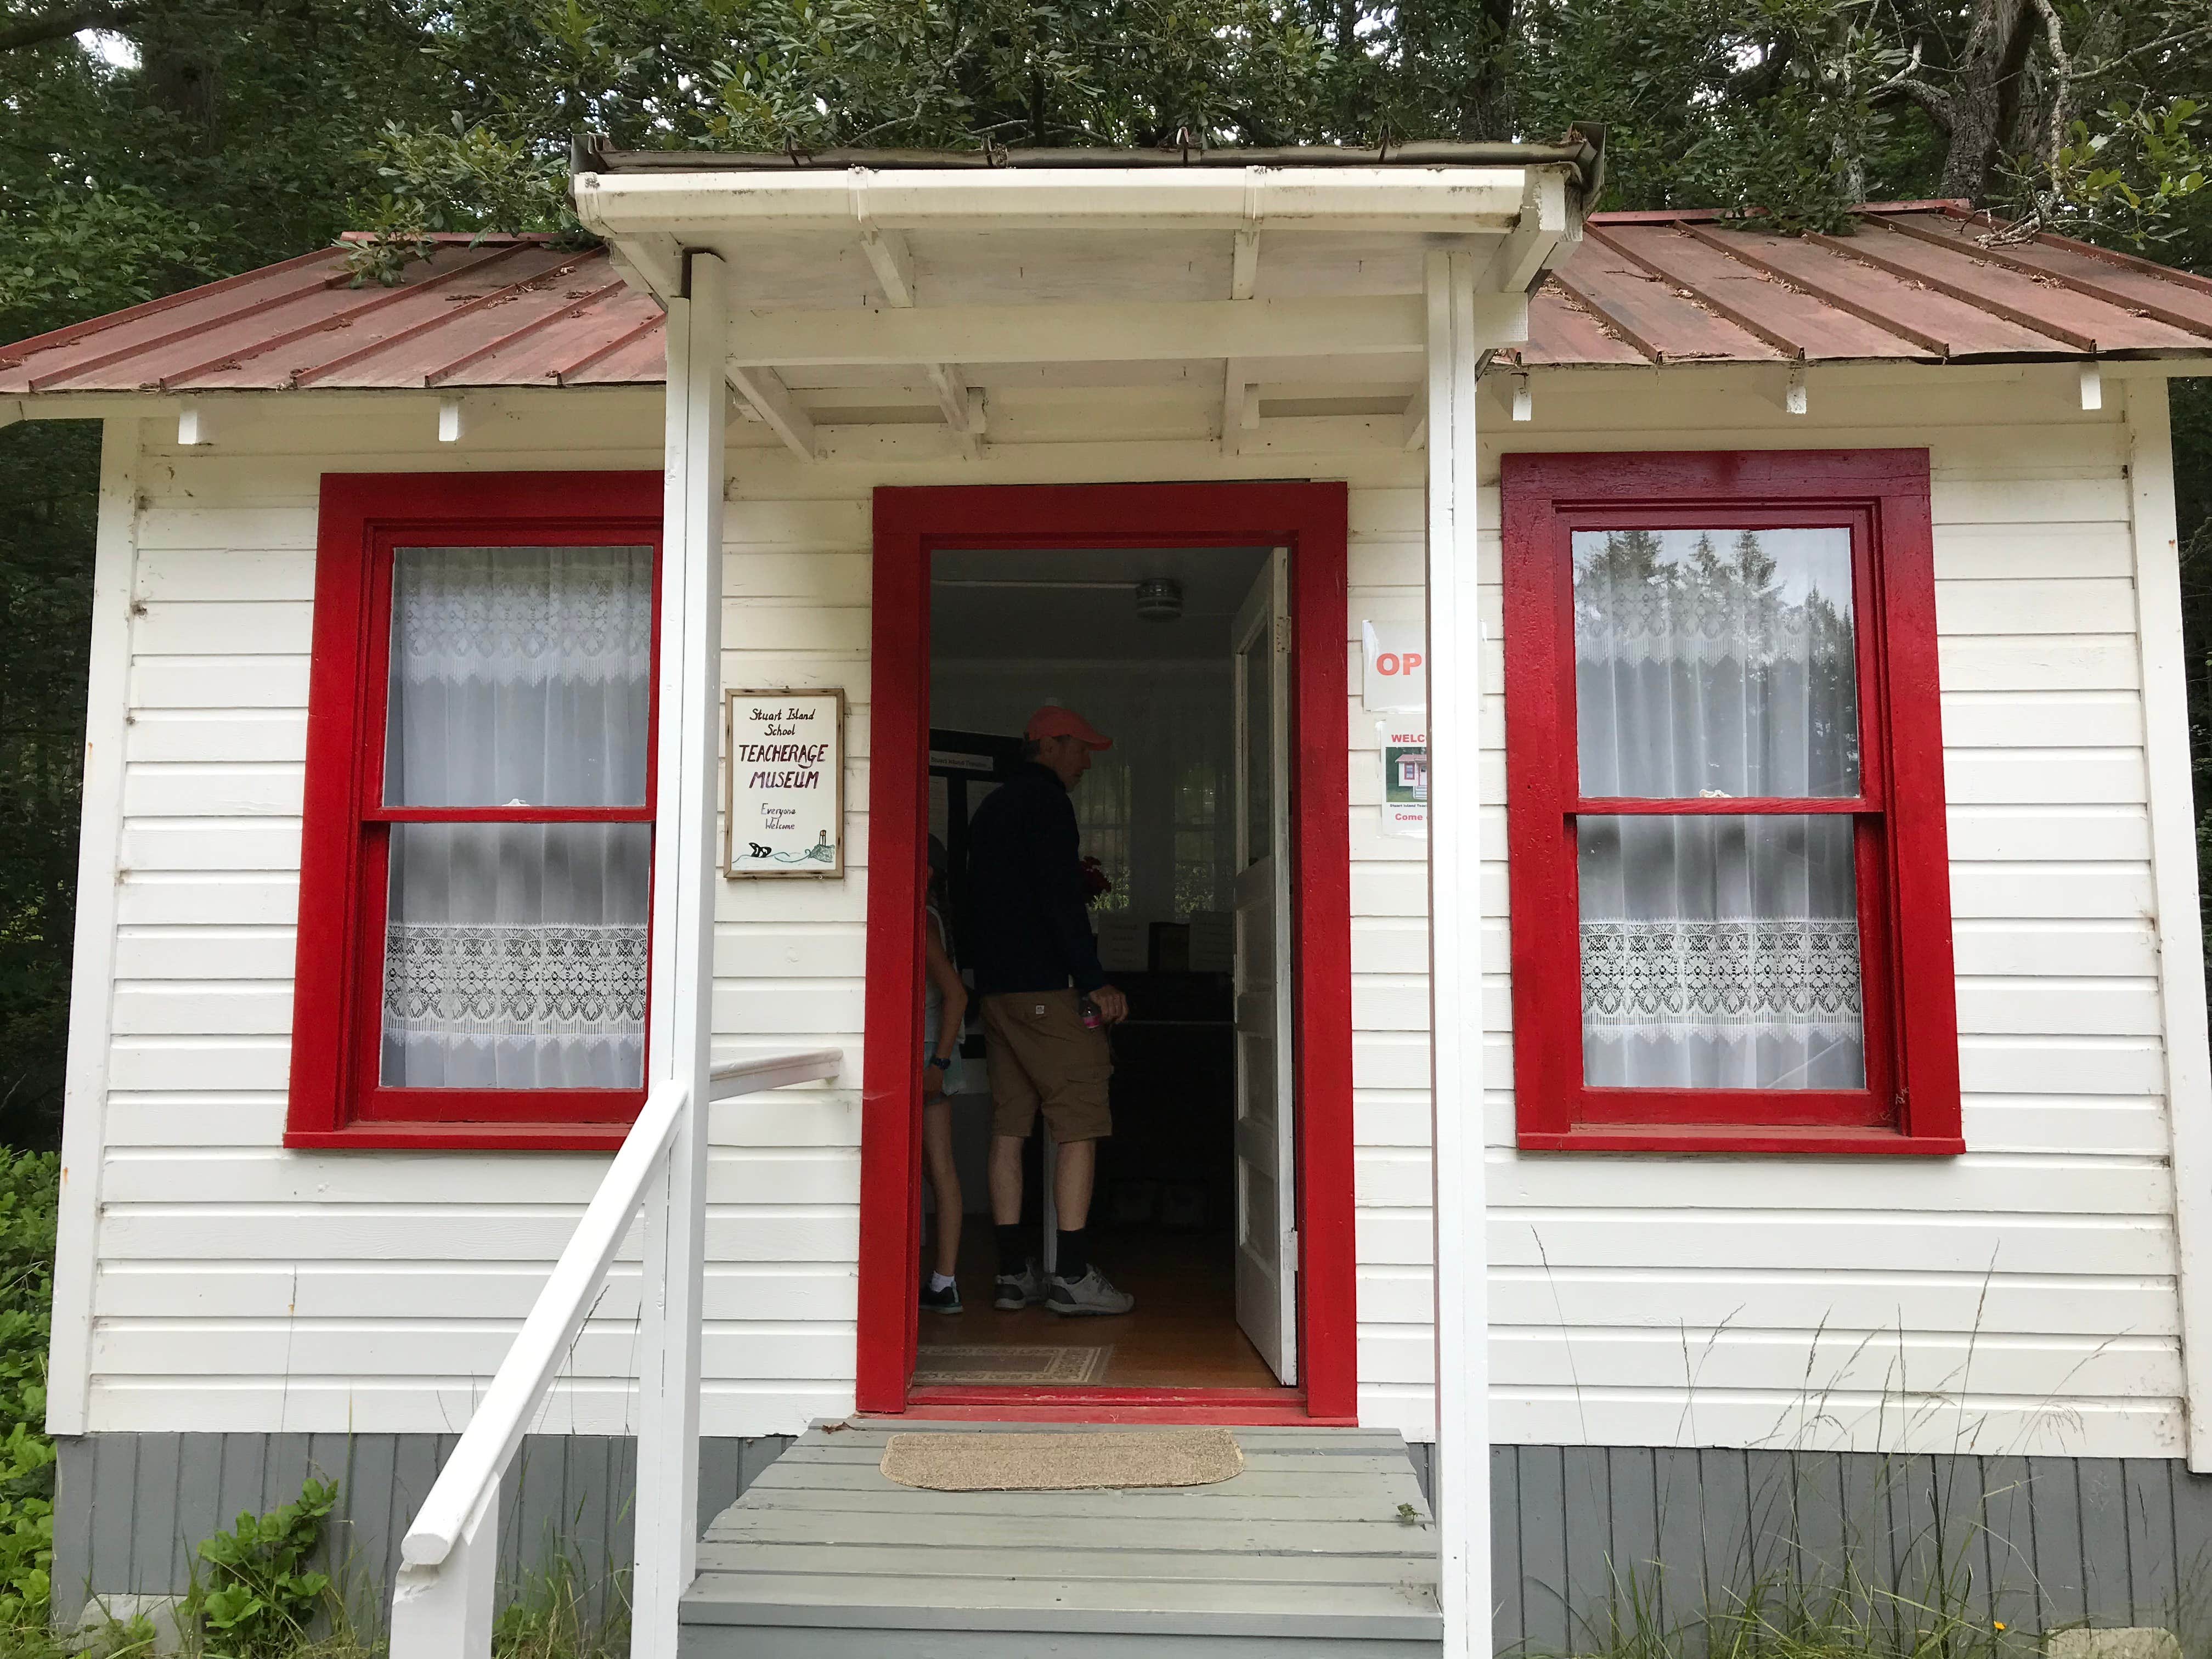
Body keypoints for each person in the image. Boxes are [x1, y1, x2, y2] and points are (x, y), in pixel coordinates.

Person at [966, 707, 1135, 1317]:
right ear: (1051, 745)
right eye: (1081, 749)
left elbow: (973, 900)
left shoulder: (990, 808)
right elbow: (1060, 898)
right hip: (1047, 990)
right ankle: (1071, 1273)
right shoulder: (1047, 806)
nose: (1087, 760)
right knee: (1080, 1122)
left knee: (1010, 1128)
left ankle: (1013, 1273)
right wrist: (1093, 981)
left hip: (998, 994)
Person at [917, 836, 969, 1314]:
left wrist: (939, 1064)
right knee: (932, 1170)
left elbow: (956, 995)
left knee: (939, 1169)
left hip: (929, 1060)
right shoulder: (927, 917)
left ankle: (944, 1280)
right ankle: (938, 1280)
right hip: (923, 1058)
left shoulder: (923, 921)